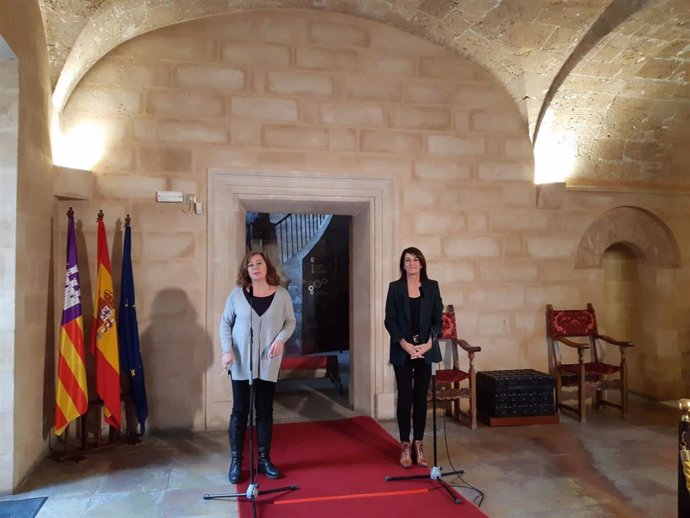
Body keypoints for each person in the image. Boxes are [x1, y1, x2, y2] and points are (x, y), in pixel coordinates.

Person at [220, 250, 296, 483]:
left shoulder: (282, 295)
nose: (255, 266)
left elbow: (290, 322)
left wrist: (280, 339)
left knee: (264, 411)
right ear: (247, 270)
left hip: (268, 362)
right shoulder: (236, 295)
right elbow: (225, 322)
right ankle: (236, 461)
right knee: (240, 411)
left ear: (267, 267)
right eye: (250, 264)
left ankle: (264, 459)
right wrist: (227, 350)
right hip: (241, 363)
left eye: (259, 262)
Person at [384, 247, 443, 469]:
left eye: (415, 260)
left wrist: (429, 343)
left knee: (420, 398)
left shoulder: (432, 287)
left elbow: (438, 320)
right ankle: (405, 445)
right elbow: (389, 320)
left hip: (425, 351)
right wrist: (404, 344)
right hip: (403, 350)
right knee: (405, 398)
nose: (411, 263)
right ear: (402, 265)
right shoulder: (395, 288)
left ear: (422, 264)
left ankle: (419, 443)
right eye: (407, 260)